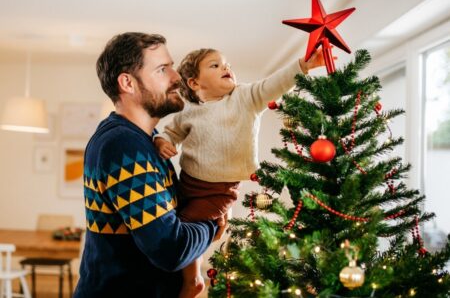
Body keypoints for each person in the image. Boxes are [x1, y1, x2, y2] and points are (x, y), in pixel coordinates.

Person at [154, 47, 326, 297]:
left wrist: (303, 65)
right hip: (188, 183)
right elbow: (170, 132)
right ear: (194, 82)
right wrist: (162, 142)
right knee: (179, 216)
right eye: (215, 65)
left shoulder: (245, 97)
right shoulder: (187, 111)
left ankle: (194, 280)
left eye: (227, 64)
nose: (226, 68)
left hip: (220, 189)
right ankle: (218, 221)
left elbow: (273, 84)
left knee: (185, 227)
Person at [73, 32, 226, 298]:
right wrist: (213, 225)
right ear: (127, 83)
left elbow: (173, 219)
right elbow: (171, 249)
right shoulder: (121, 144)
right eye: (162, 69)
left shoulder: (149, 140)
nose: (177, 77)